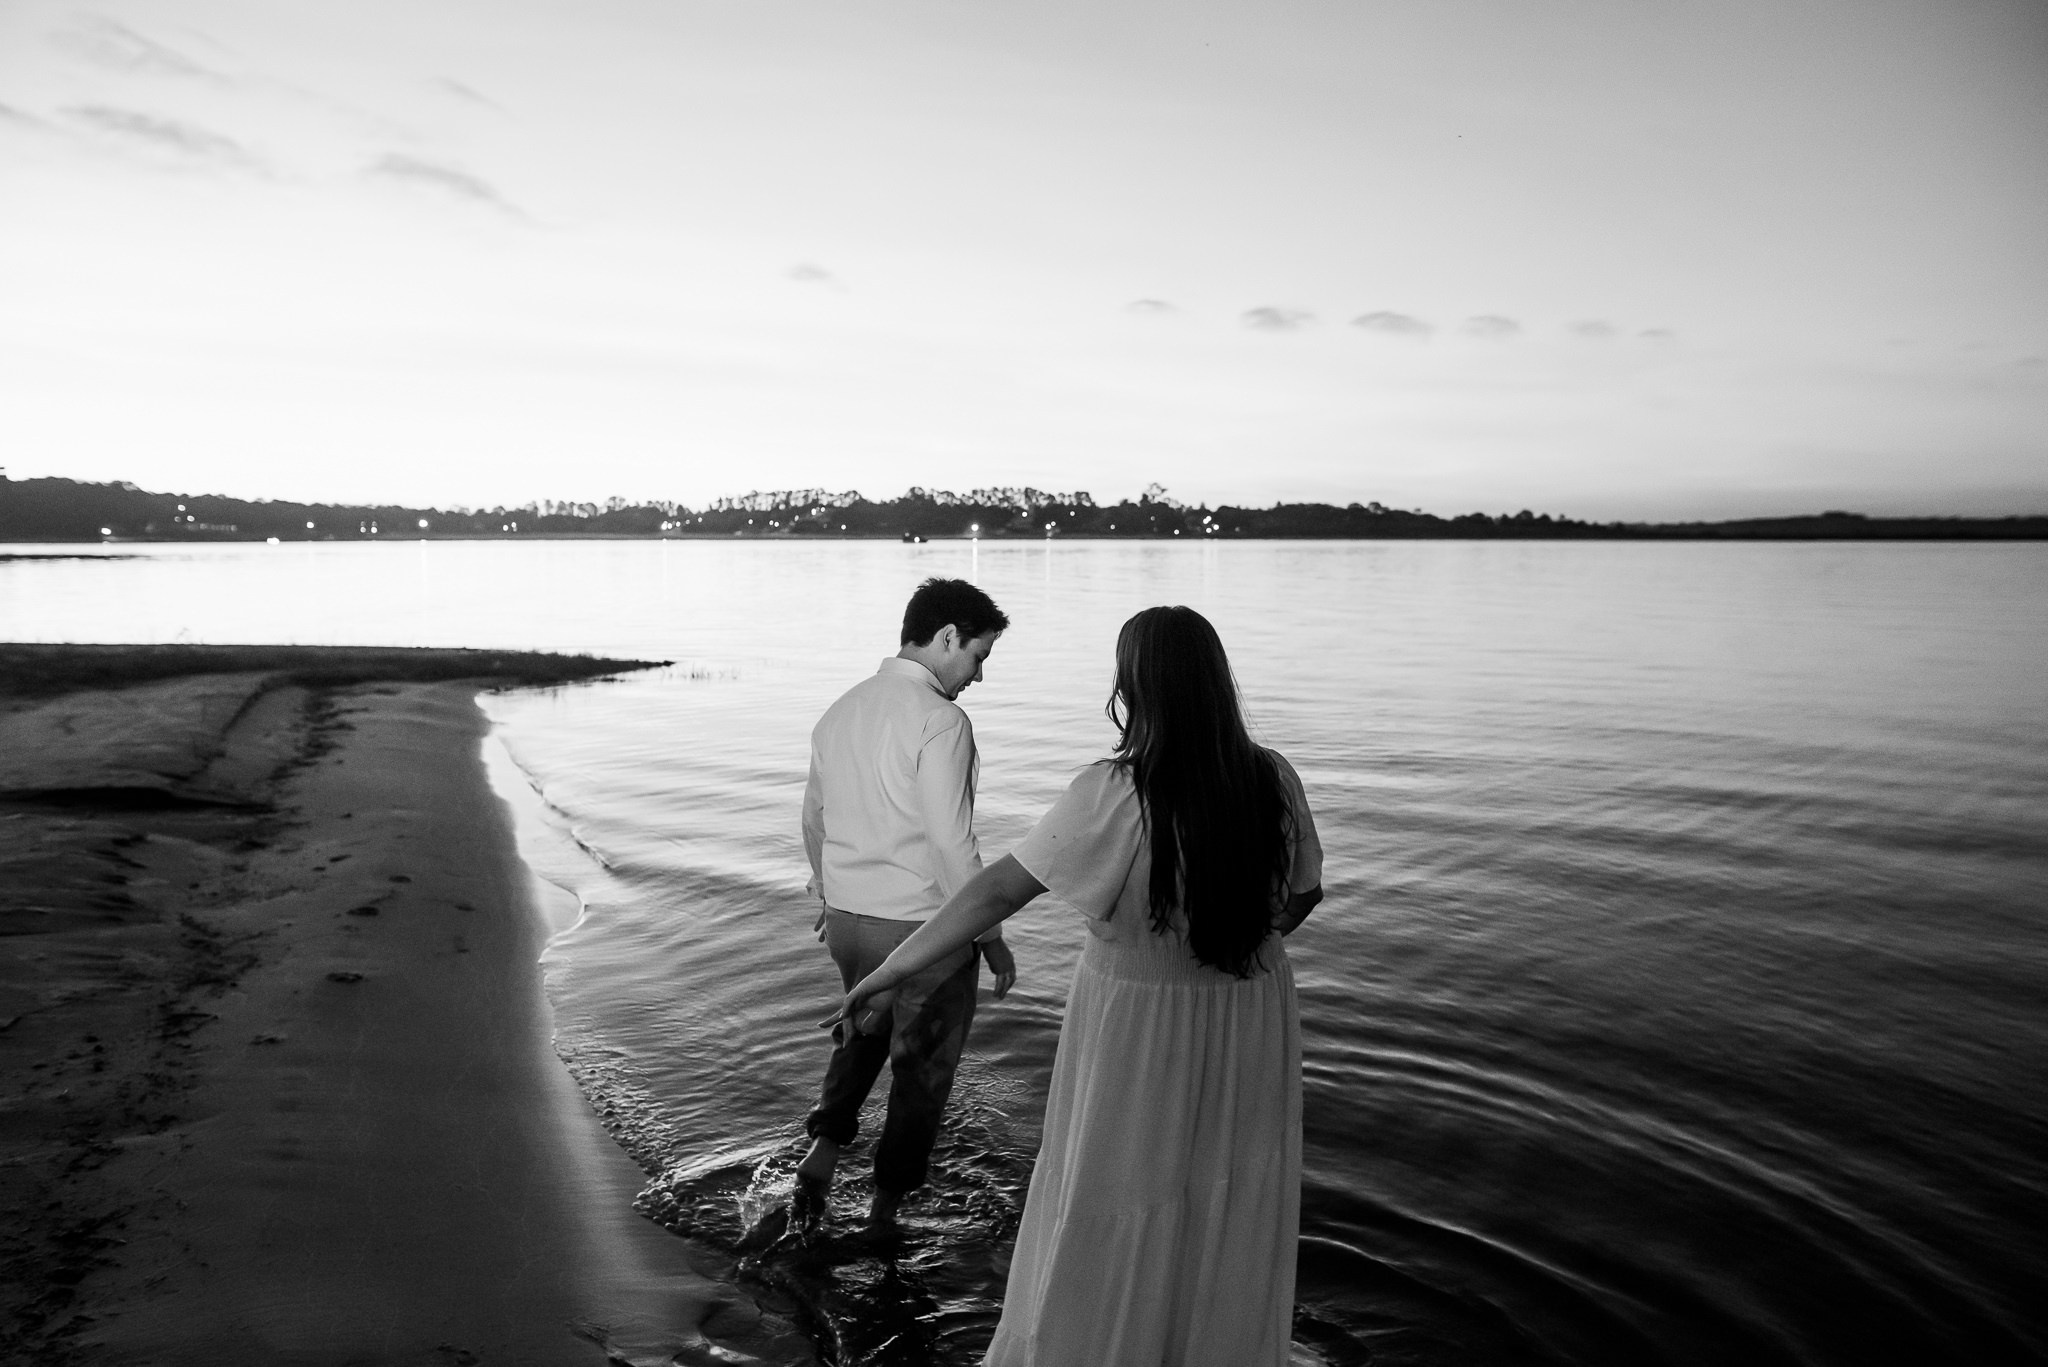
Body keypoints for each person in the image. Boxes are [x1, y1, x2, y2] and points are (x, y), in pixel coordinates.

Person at [826, 604, 1324, 1366]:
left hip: (1141, 1022)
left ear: (1135, 684)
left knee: (1118, 1186)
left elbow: (996, 892)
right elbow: (1302, 894)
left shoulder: (1118, 789)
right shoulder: (1272, 776)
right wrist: (1242, 945)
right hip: (1249, 1008)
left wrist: (889, 971)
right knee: (1226, 1185)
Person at [795, 576, 1020, 1226]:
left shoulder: (840, 709)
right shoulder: (940, 720)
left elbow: (814, 818)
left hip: (848, 918)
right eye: (978, 656)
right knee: (921, 1072)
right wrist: (989, 932)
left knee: (861, 1036)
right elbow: (953, 843)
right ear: (948, 636)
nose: (977, 676)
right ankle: (885, 1211)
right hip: (922, 929)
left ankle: (823, 1152)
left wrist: (827, 888)